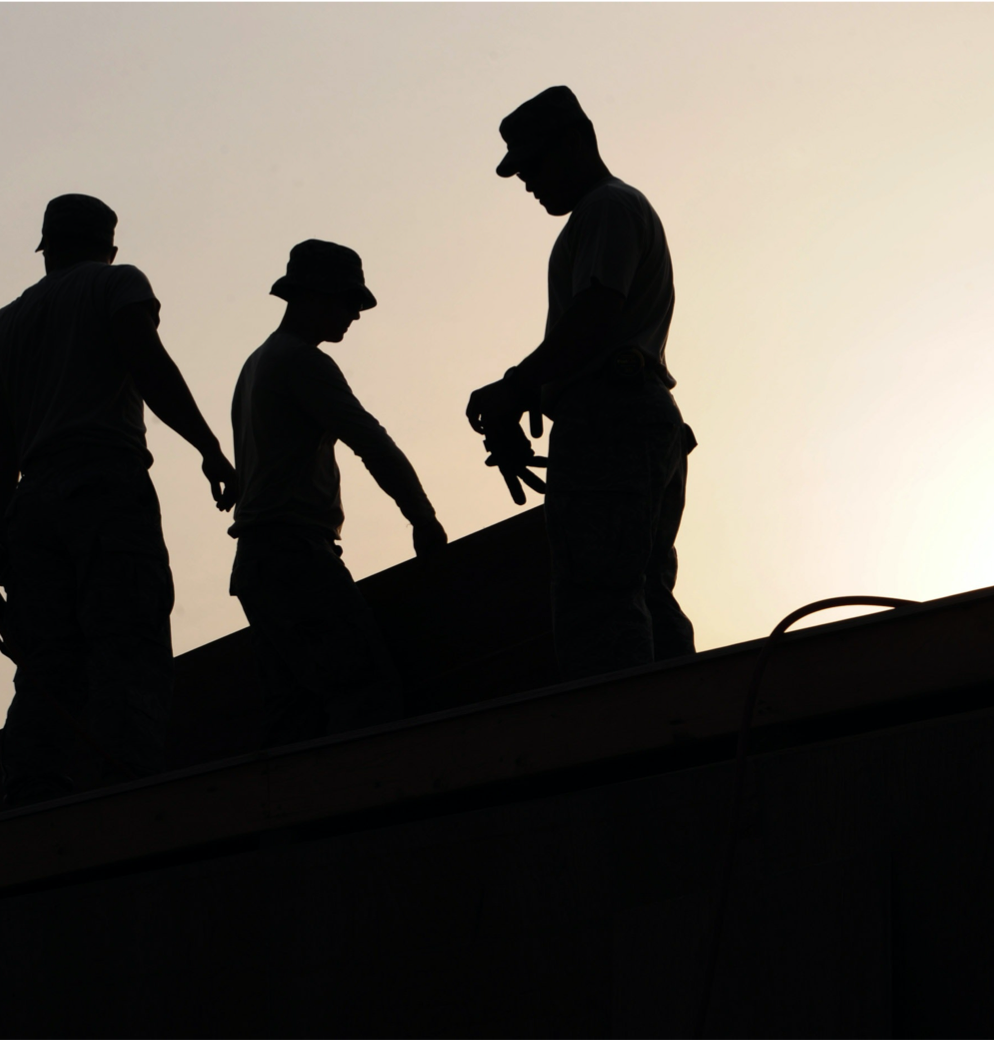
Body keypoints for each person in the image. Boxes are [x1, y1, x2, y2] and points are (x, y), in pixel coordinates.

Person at [0, 193, 238, 806]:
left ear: (47, 250)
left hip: (31, 505)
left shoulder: (1, 326)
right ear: (108, 246)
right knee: (128, 639)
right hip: (103, 485)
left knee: (45, 664)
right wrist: (208, 447)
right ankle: (132, 795)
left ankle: (32, 795)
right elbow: (148, 367)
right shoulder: (117, 284)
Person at [467, 86, 696, 681]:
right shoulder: (603, 216)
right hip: (631, 417)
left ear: (576, 142)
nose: (527, 183)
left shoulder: (606, 207)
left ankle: (624, 748)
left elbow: (596, 312)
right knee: (642, 591)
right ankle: (685, 734)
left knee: (600, 602)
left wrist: (517, 388)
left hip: (614, 420)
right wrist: (533, 397)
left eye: (533, 165)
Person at [228, 240, 447, 747]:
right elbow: (371, 442)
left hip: (259, 563)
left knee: (294, 712)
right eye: (347, 302)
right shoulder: (301, 363)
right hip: (294, 556)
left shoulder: (256, 363)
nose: (355, 314)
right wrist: (423, 517)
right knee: (365, 693)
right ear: (312, 297)